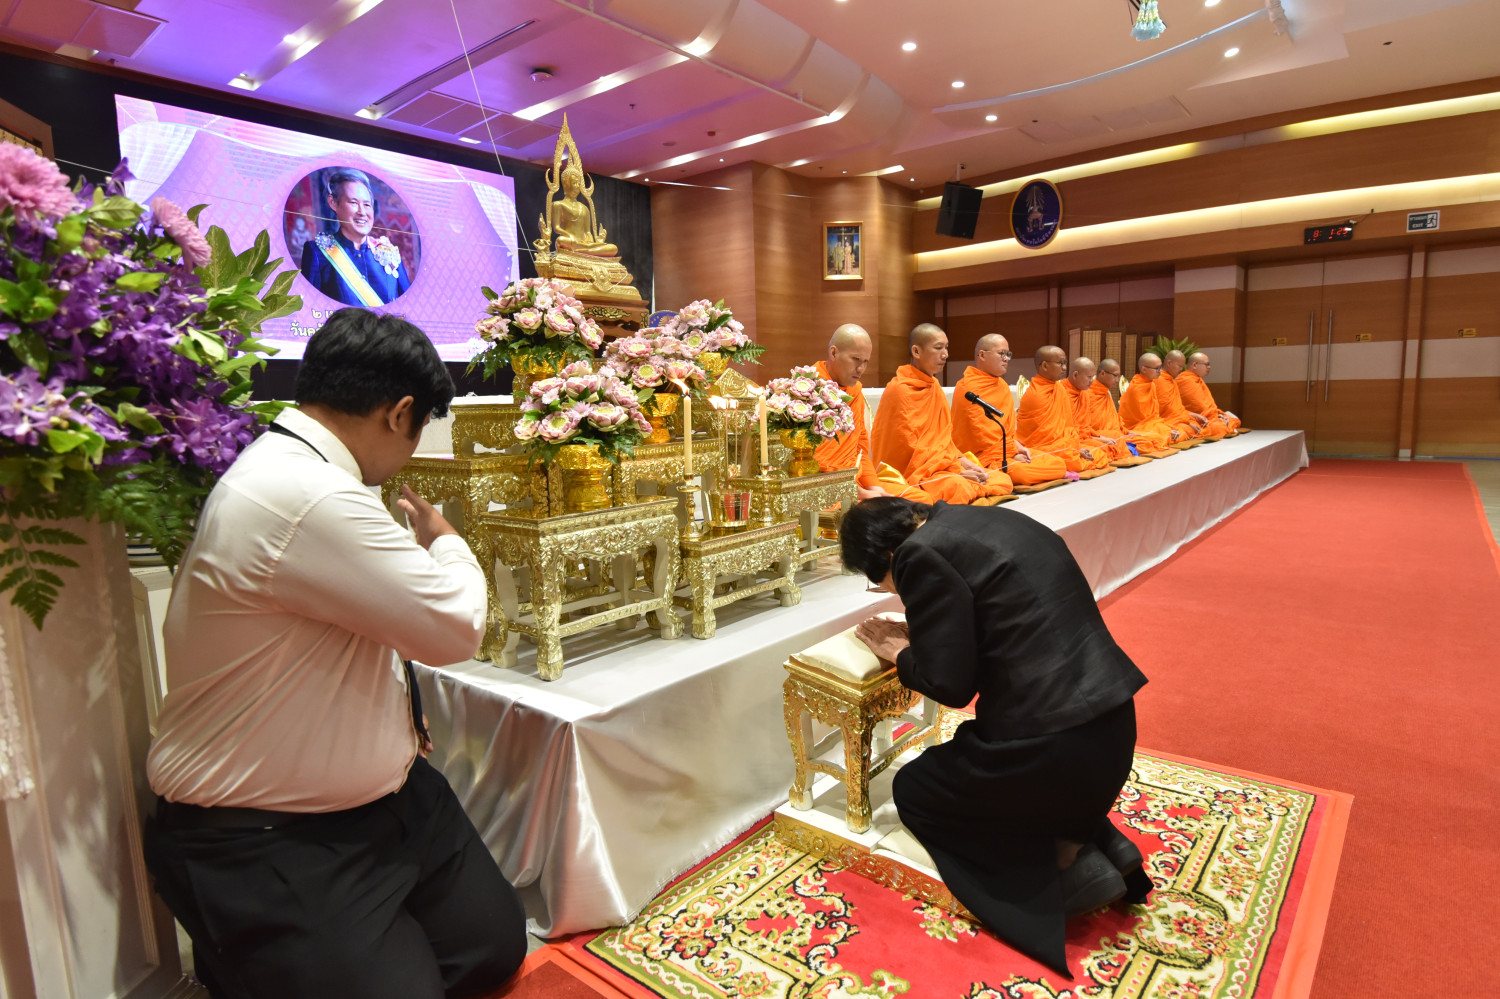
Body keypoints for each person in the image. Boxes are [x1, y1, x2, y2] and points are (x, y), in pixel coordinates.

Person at [143, 309, 526, 999]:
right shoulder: (305, 495)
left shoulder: (305, 469)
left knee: (494, 946)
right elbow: (456, 628)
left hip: (386, 801)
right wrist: (446, 540)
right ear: (399, 412)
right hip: (268, 835)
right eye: (418, 431)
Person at [842, 498, 1151, 974]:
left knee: (917, 788)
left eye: (879, 583)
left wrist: (899, 650)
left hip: (1051, 749)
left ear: (883, 559)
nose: (893, 593)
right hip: (1112, 730)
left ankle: (1060, 866)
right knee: (973, 754)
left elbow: (951, 684)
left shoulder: (918, 554)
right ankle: (1096, 837)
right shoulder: (995, 519)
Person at [869, 323, 1013, 504]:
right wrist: (954, 469)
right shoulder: (900, 390)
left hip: (941, 466)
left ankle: (967, 486)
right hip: (917, 474)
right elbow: (908, 449)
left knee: (1001, 479)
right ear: (916, 351)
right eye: (938, 348)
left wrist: (961, 461)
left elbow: (944, 440)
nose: (945, 354)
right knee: (957, 488)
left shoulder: (934, 386)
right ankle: (967, 488)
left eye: (946, 348)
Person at [950, 334, 1071, 487]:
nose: (1006, 359)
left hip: (1007, 450)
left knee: (1058, 463)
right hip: (984, 457)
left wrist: (1018, 447)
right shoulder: (967, 388)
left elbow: (1007, 430)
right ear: (982, 355)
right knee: (1022, 473)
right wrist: (1010, 453)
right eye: (1001, 354)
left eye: (1008, 354)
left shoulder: (1002, 386)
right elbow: (980, 436)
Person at [299, 168, 413, 307]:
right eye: (353, 203)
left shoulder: (388, 252)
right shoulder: (318, 252)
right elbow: (308, 309)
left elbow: (409, 306)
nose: (362, 212)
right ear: (333, 202)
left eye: (366, 204)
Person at [813, 323, 888, 500]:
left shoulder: (854, 392)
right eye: (855, 359)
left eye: (865, 362)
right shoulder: (808, 391)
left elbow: (860, 450)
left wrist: (875, 488)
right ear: (834, 353)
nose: (861, 369)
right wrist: (863, 494)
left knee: (913, 500)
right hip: (824, 489)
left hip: (854, 483)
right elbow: (816, 464)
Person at [1017, 346, 1113, 475]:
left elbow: (1068, 427)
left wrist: (1077, 447)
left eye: (1065, 363)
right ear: (1045, 366)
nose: (1064, 368)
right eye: (1060, 363)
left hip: (1065, 445)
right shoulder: (1036, 394)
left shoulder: (1059, 389)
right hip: (1044, 448)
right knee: (1062, 462)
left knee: (1099, 453)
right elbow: (1043, 440)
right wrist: (1073, 449)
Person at [1083, 359, 1176, 457]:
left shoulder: (1106, 393)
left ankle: (1125, 447)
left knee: (1154, 439)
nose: (1117, 380)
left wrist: (1127, 432)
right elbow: (1084, 426)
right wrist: (1102, 437)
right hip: (1102, 436)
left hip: (1120, 433)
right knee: (1105, 450)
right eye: (1115, 376)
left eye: (1118, 376)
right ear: (1102, 374)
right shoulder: (1087, 394)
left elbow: (1113, 419)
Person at [1059, 357, 1136, 463]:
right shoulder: (1060, 394)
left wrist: (1099, 437)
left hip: (1085, 437)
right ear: (1075, 375)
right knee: (1100, 452)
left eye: (1092, 377)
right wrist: (1097, 439)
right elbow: (1061, 430)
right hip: (1069, 442)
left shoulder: (1084, 393)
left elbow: (1085, 427)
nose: (1091, 381)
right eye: (1089, 377)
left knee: (1112, 443)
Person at [1118, 353, 1187, 446]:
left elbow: (1154, 415)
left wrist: (1166, 428)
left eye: (1160, 367)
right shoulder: (1137, 388)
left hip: (1152, 423)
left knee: (1180, 432)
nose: (1160, 371)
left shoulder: (1152, 384)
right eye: (1157, 368)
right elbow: (1143, 419)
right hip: (1137, 426)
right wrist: (1164, 429)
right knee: (1158, 438)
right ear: (1144, 369)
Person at [1156, 350, 1217, 440]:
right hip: (1166, 420)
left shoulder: (1172, 381)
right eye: (1179, 366)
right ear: (1169, 363)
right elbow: (1164, 411)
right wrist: (1186, 421)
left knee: (1198, 426)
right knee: (1187, 430)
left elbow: (1178, 408)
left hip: (1178, 418)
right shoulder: (1158, 380)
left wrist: (1192, 415)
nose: (1181, 369)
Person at [1177, 352, 1243, 435]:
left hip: (1208, 417)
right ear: (1194, 365)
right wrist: (1215, 417)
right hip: (1196, 418)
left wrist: (1219, 415)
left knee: (1233, 420)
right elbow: (1198, 407)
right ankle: (1224, 426)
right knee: (1219, 427)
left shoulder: (1198, 380)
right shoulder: (1185, 380)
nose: (1209, 367)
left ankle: (1224, 424)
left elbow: (1208, 406)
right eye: (1207, 364)